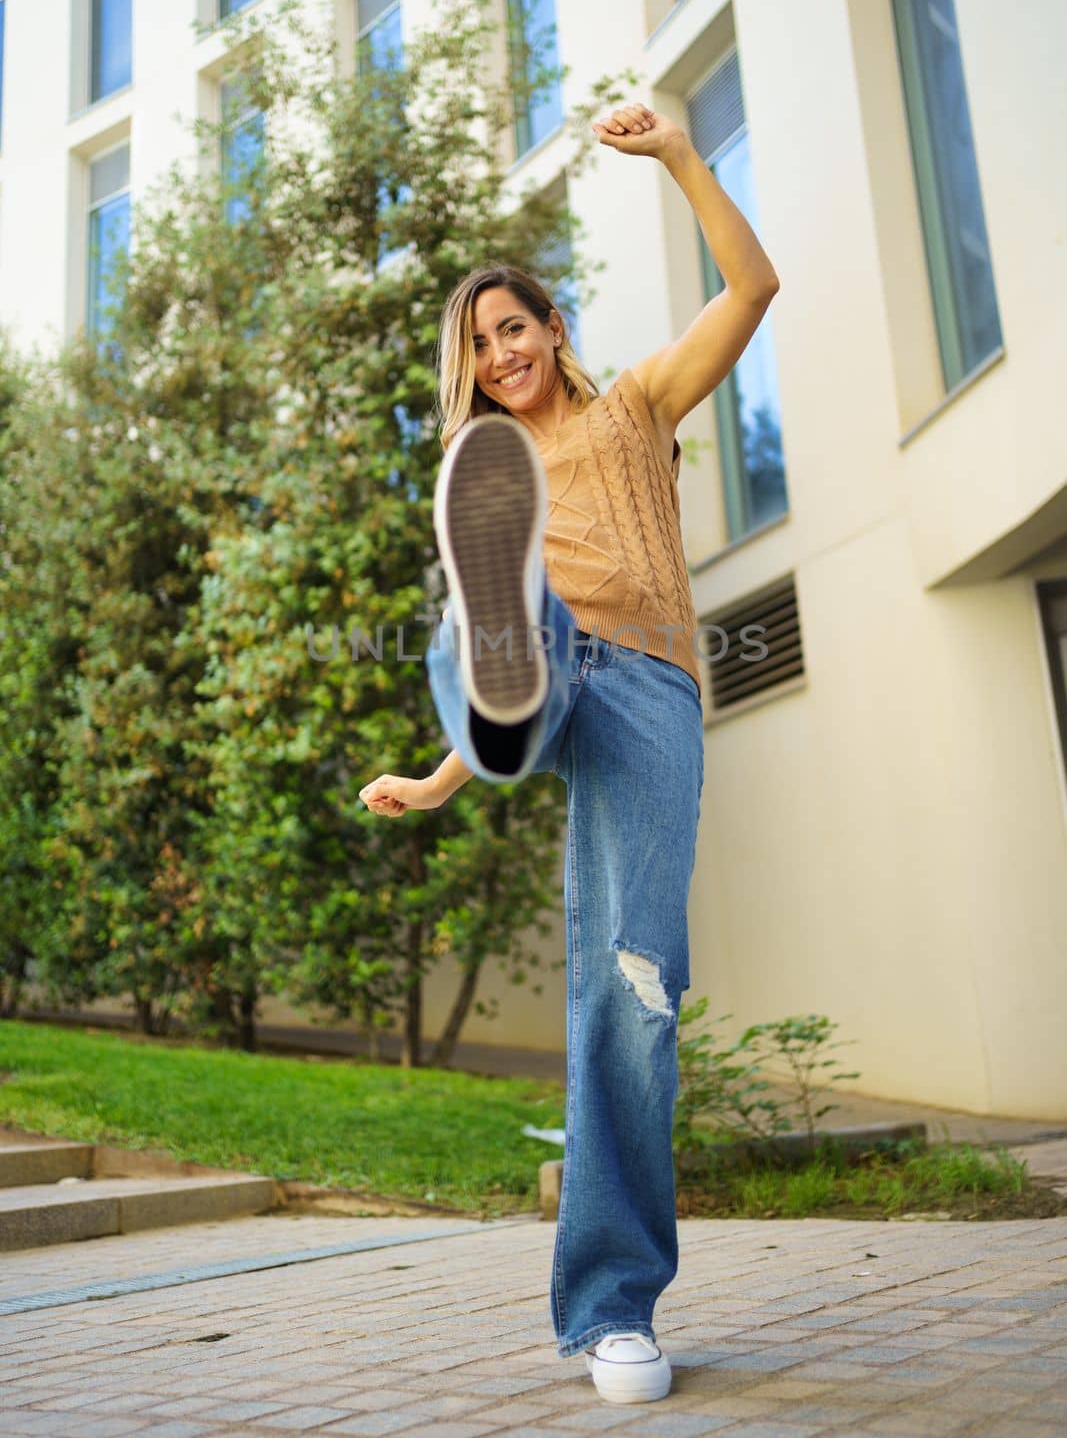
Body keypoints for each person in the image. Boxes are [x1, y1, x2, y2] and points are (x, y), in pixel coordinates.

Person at [359, 101, 779, 1405]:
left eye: (515, 329)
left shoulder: (637, 402)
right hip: (544, 666)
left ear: (554, 328)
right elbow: (499, 717)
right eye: (480, 347)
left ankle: (618, 1313)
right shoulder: (485, 454)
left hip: (644, 692)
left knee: (630, 1000)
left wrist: (679, 157)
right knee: (494, 619)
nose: (501, 355)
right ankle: (493, 656)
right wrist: (447, 770)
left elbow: (754, 286)